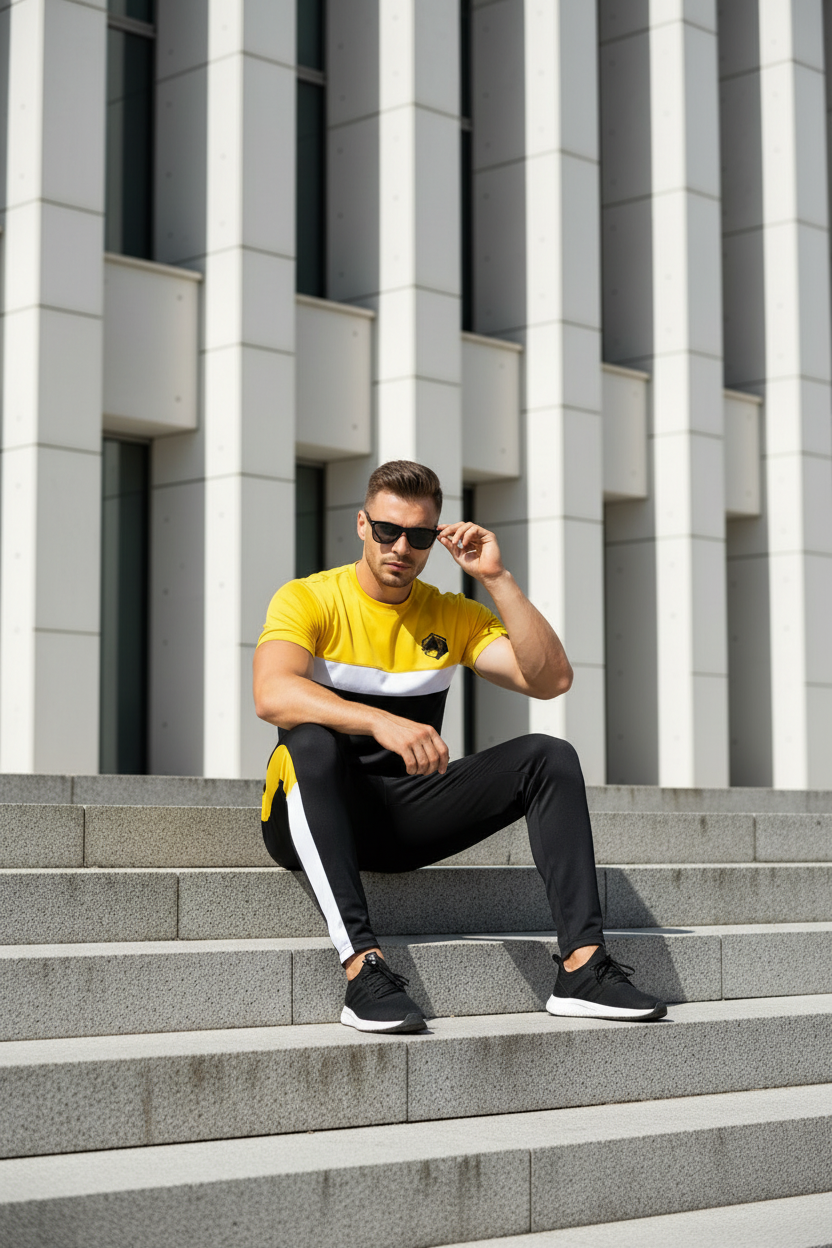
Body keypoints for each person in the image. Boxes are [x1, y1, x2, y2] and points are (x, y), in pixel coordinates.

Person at [253, 460, 666, 1033]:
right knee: (309, 744)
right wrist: (378, 722)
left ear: (433, 540)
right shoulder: (309, 599)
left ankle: (582, 969)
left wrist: (496, 579)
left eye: (419, 536)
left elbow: (550, 681)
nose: (401, 547)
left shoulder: (450, 613)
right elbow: (271, 692)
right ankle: (363, 970)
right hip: (312, 810)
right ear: (361, 525)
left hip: (403, 816)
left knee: (549, 755)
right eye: (387, 531)